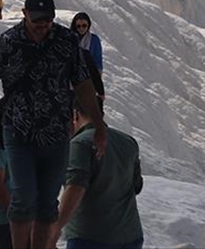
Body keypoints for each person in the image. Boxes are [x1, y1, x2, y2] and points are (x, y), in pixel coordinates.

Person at [0, 0, 106, 249]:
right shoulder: (8, 42)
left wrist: (98, 124)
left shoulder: (66, 40)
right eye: (37, 20)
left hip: (56, 132)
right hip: (18, 131)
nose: (43, 26)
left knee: (48, 203)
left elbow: (83, 83)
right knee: (23, 199)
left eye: (48, 20)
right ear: (24, 14)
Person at [56, 105, 144, 249]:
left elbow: (75, 186)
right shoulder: (128, 141)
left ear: (75, 114)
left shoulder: (79, 143)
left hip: (90, 236)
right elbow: (137, 186)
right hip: (131, 234)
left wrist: (56, 226)